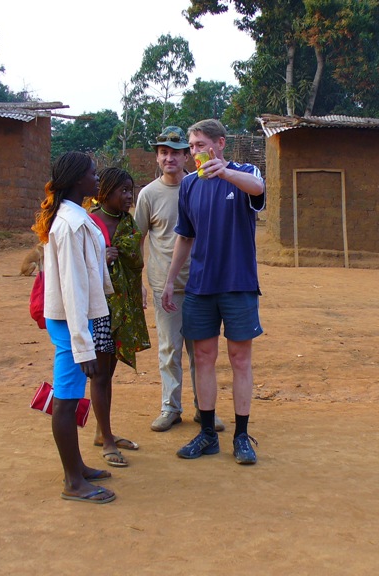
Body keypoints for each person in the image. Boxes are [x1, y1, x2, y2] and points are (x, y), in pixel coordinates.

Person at [161, 119, 265, 465]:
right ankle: (207, 433)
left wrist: (225, 174)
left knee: (240, 360)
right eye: (192, 147)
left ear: (220, 144)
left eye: (201, 145)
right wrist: (170, 280)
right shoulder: (189, 185)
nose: (195, 153)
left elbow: (257, 187)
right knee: (202, 359)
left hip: (238, 284)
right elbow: (185, 237)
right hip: (200, 287)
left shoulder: (243, 171)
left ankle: (241, 435)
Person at [31, 151, 116, 504]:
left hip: (75, 319)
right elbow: (72, 288)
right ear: (77, 180)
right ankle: (72, 482)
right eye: (92, 174)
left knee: (71, 397)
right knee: (65, 402)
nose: (97, 180)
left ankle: (77, 466)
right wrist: (83, 345)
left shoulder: (75, 217)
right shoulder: (69, 224)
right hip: (69, 321)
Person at [134, 126, 224, 433]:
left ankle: (204, 408)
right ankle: (170, 407)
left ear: (187, 155)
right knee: (170, 349)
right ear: (157, 157)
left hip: (200, 284)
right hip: (165, 287)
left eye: (175, 152)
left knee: (201, 351)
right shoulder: (148, 195)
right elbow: (138, 240)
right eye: (163, 153)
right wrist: (140, 285)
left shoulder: (200, 186)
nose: (169, 158)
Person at [87, 167, 151, 466]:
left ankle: (103, 431)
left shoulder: (127, 222)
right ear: (107, 191)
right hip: (98, 309)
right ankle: (107, 440)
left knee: (108, 373)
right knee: (100, 375)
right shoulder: (90, 221)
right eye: (124, 190)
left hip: (121, 307)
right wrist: (104, 257)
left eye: (131, 190)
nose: (129, 196)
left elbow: (137, 260)